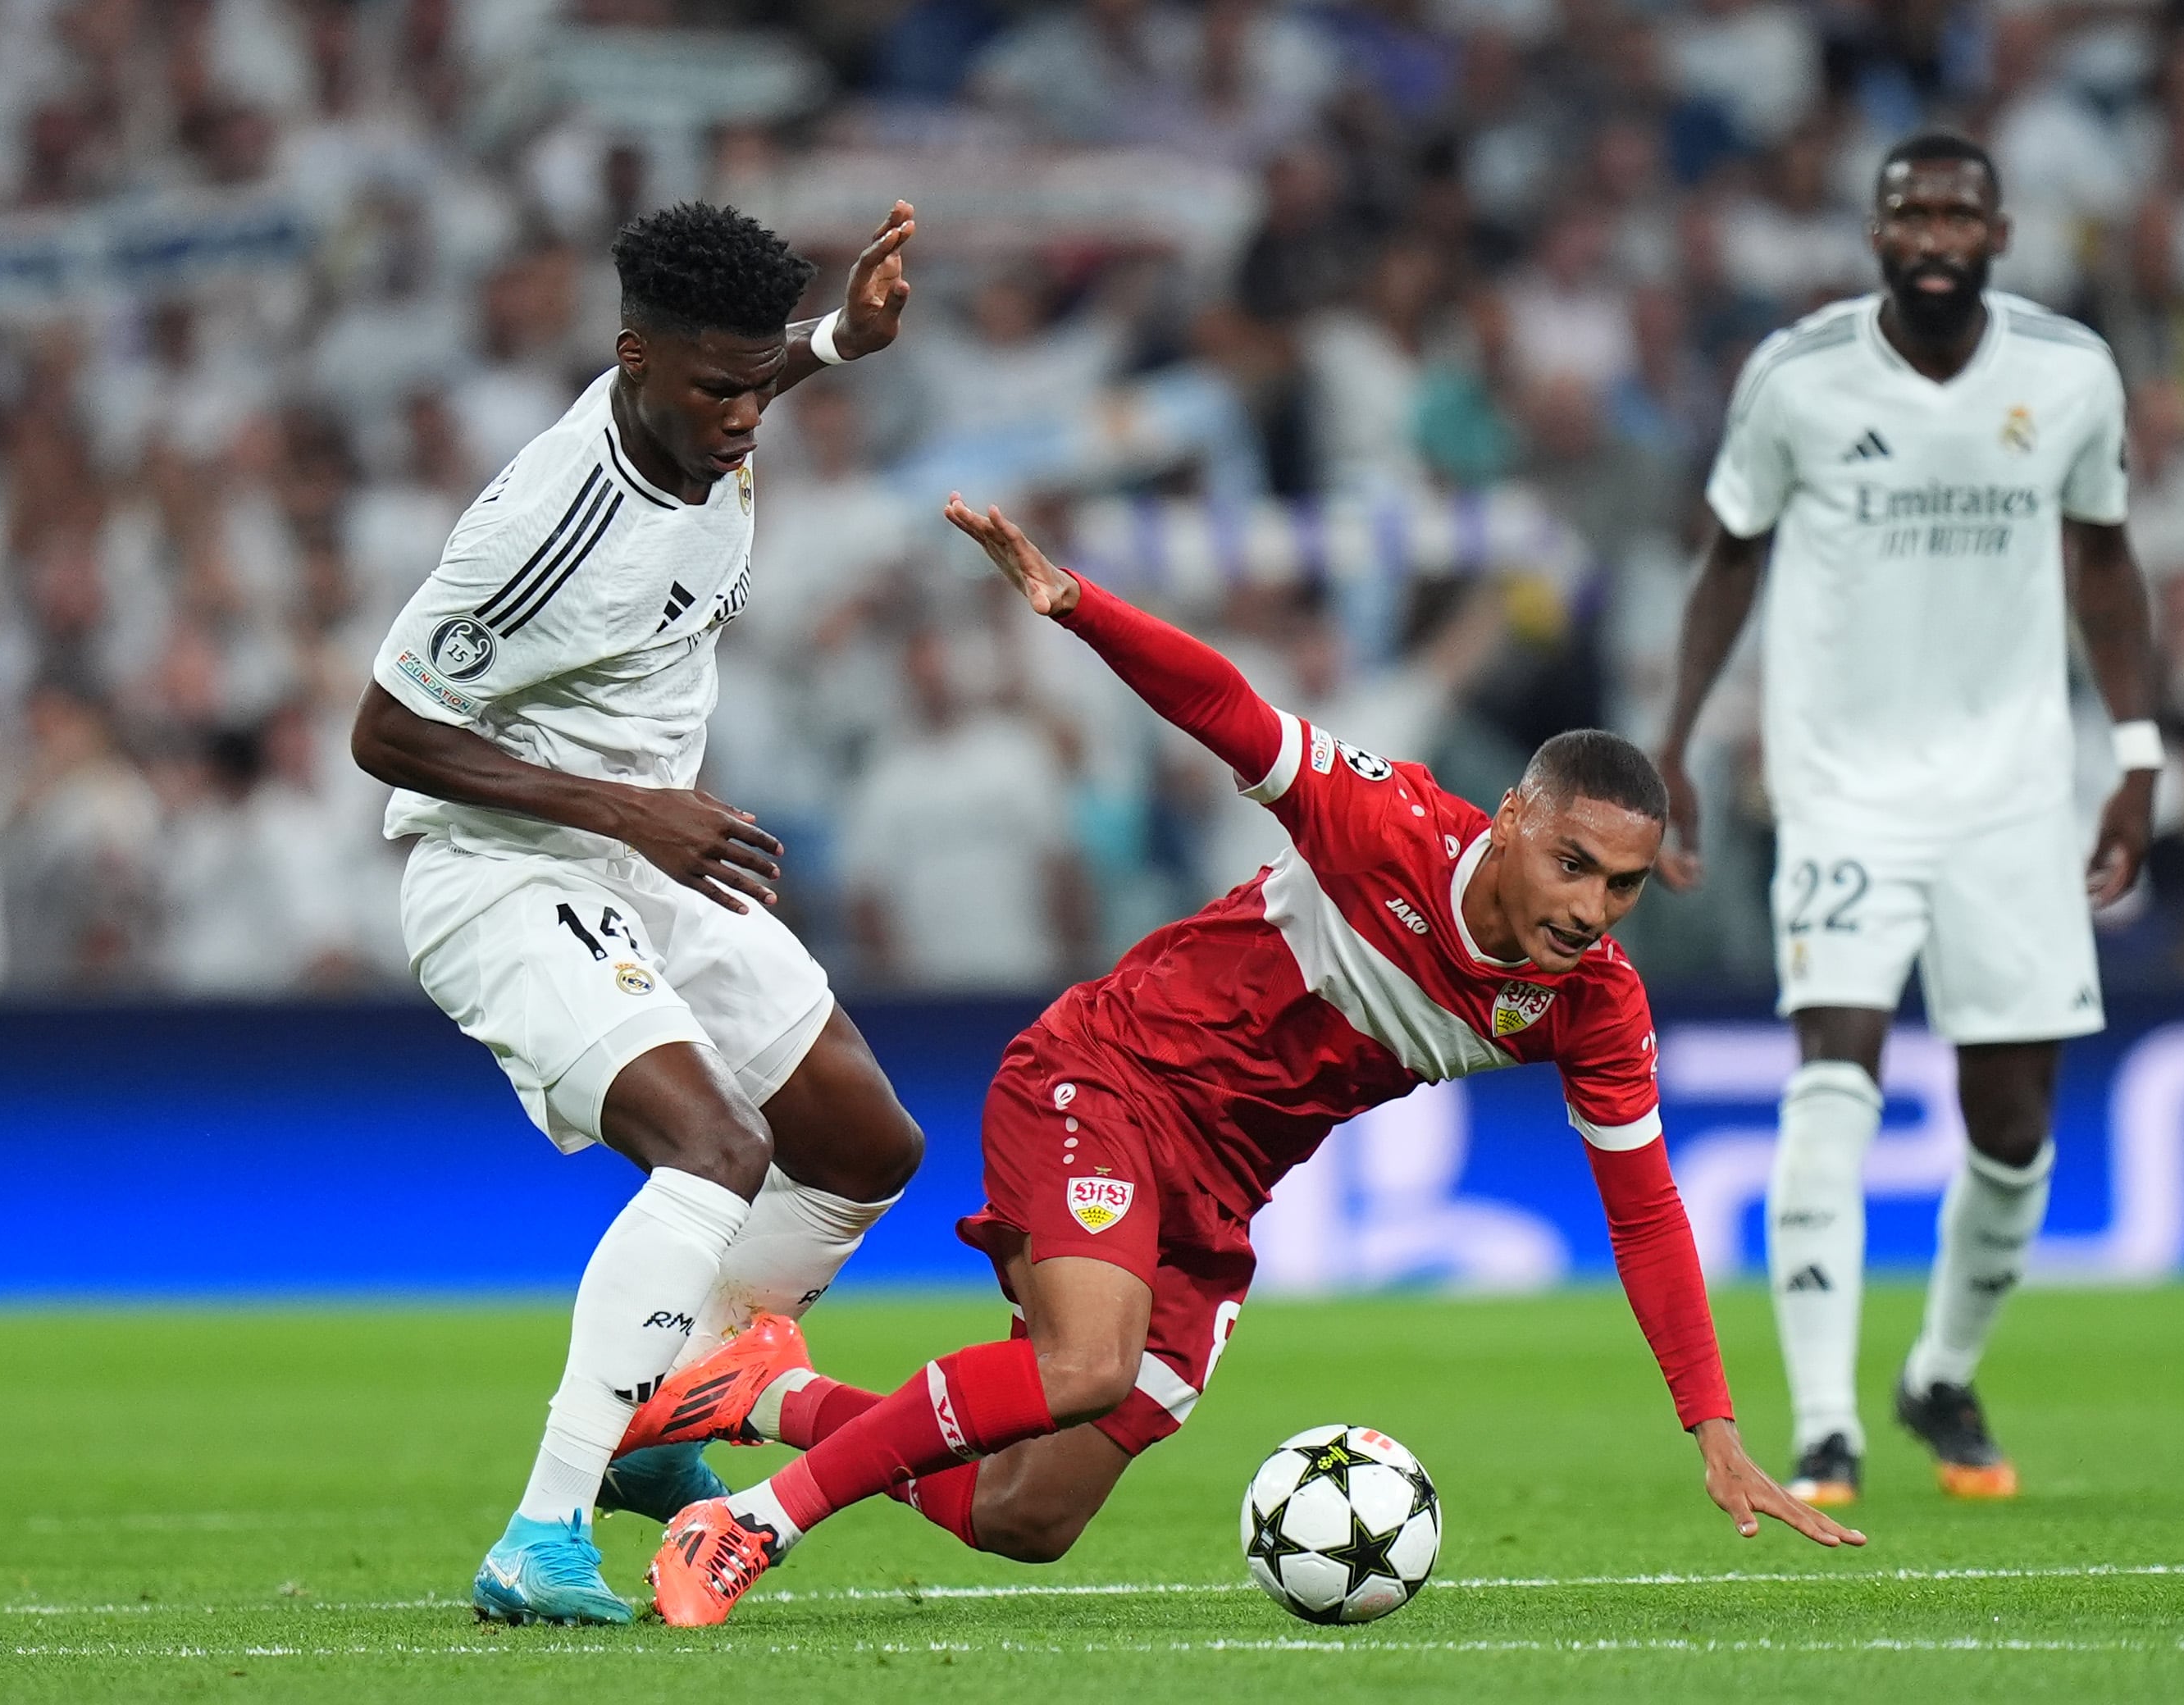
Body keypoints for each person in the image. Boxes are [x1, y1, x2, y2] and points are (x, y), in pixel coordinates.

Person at [623, 497, 1864, 1628]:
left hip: (1218, 1188)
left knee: (1024, 1517)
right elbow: (1225, 705)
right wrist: (1079, 606)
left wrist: (1714, 1428)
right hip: (1107, 1076)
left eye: (1627, 887)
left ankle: (769, 1391)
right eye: (1576, 866)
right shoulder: (1387, 826)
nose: (1595, 910)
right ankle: (745, 1524)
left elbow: (1644, 1213)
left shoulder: (1592, 1003)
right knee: (1086, 1364)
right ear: (1516, 823)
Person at [348, 201, 929, 1624]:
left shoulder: (697, 399)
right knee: (715, 1148)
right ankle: (539, 1535)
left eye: (756, 382)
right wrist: (635, 812)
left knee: (863, 1143)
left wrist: (842, 338)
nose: (747, 415)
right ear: (634, 359)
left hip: (644, 860)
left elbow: (754, 366)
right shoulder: (550, 519)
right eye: (720, 388)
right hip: (504, 870)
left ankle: (664, 1417)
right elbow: (383, 729)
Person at [1652, 133, 2160, 1507]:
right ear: (1876, 235)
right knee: (1835, 1076)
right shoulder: (1797, 377)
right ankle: (1825, 1428)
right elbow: (1729, 561)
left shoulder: (2066, 374)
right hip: (1843, 792)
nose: (1934, 229)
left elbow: (2105, 560)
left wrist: (2139, 750)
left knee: (2015, 1121)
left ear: (1998, 233)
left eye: (1958, 210)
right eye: (1909, 210)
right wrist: (1677, 742)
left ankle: (1938, 1371)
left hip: (2012, 796)